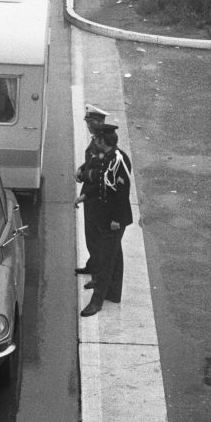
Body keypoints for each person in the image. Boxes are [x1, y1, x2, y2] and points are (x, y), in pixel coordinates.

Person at [78, 123, 133, 317]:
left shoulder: (118, 159)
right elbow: (102, 183)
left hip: (114, 220)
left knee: (106, 260)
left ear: (102, 141)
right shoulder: (108, 158)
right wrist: (85, 196)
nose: (94, 142)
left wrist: (117, 219)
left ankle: (97, 301)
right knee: (114, 256)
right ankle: (113, 293)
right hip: (106, 217)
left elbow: (122, 192)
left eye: (96, 139)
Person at [74, 104, 109, 277]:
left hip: (95, 196)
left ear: (98, 122)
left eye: (91, 123)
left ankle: (97, 272)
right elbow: (91, 163)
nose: (88, 127)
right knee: (91, 235)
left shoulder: (101, 143)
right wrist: (81, 169)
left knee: (94, 236)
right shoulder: (96, 139)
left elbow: (99, 173)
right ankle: (93, 264)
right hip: (90, 193)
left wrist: (84, 176)